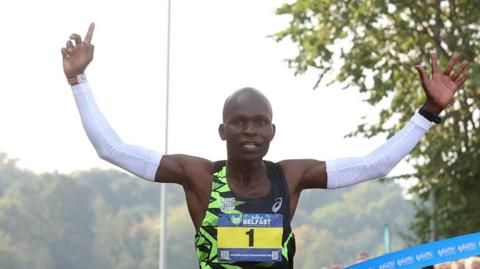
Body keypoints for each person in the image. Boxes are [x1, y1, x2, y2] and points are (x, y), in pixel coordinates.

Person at [61, 23, 470, 269]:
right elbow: (111, 148)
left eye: (260, 123)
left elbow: (373, 166)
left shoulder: (290, 177)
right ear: (222, 131)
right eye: (239, 123)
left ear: (273, 132)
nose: (250, 131)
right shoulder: (198, 176)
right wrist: (78, 81)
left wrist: (428, 112)